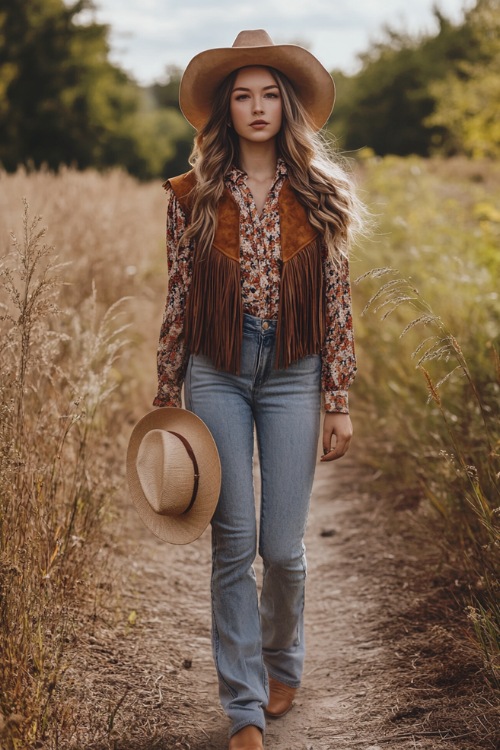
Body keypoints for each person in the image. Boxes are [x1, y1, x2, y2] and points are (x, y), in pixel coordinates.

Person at [153, 29, 363, 750]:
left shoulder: (321, 193)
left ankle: (284, 662)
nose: (256, 106)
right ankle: (242, 706)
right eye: (241, 95)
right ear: (224, 110)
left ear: (289, 105)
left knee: (281, 547)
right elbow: (177, 298)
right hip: (216, 368)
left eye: (269, 93)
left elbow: (338, 301)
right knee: (232, 543)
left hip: (295, 373)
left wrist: (338, 397)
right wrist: (166, 396)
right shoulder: (191, 196)